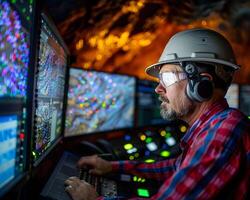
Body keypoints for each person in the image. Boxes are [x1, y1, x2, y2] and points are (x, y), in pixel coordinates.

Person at [64, 28, 250, 200]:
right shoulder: (212, 126)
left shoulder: (222, 132)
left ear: (201, 84)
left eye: (167, 78)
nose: (158, 89)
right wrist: (113, 166)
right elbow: (176, 168)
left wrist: (94, 199)